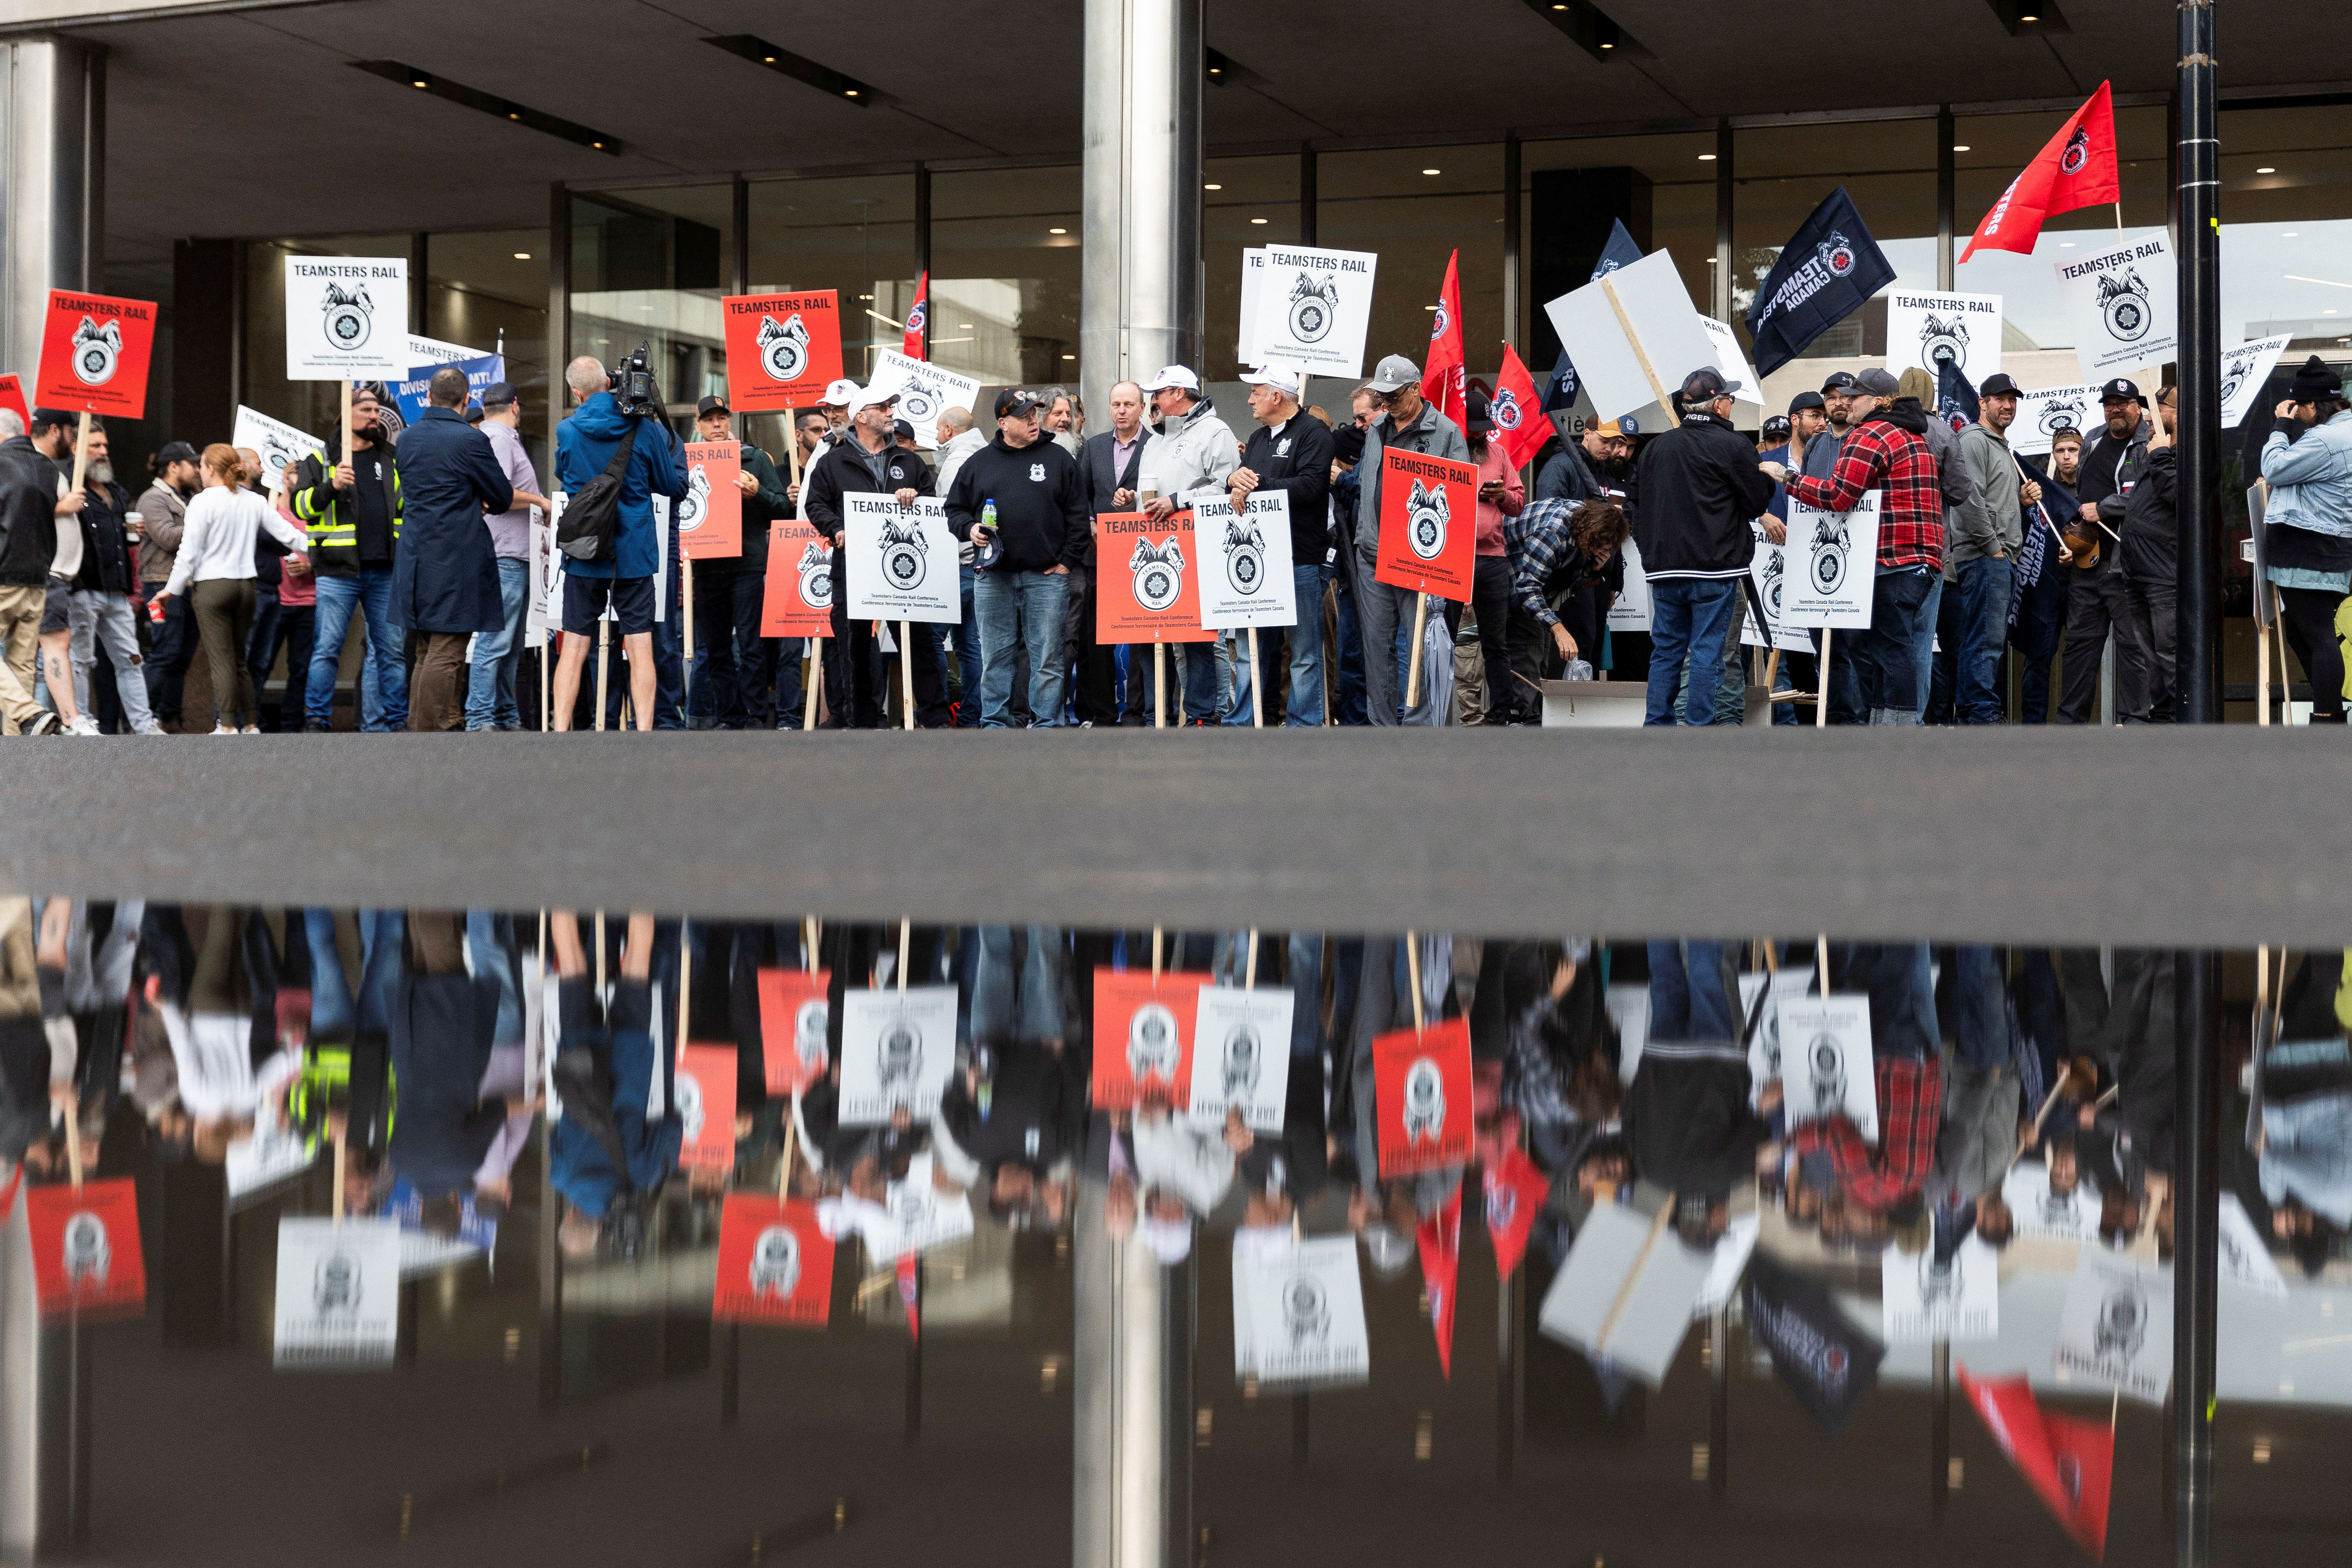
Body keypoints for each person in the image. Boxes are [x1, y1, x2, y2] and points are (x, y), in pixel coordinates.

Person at [1779, 366, 1945, 725]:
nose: (1845, 402)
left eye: (1854, 396)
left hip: (1892, 560)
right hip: (1920, 561)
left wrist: (1787, 478)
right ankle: (1884, 733)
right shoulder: (1913, 435)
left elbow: (1839, 495)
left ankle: (1893, 740)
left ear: (1879, 401)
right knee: (1891, 650)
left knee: (1890, 652)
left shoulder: (1871, 434)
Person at [1633, 369, 1775, 727]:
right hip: (1714, 569)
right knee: (1707, 650)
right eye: (1730, 398)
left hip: (1664, 569)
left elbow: (1632, 505)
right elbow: (1756, 503)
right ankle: (1698, 730)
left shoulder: (1655, 447)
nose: (1732, 404)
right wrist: (1765, 477)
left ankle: (1657, 727)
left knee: (1666, 650)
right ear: (1718, 405)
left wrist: (1649, 551)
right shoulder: (1732, 445)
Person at [551, 354, 684, 733]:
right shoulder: (643, 428)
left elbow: (565, 474)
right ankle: (643, 730)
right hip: (634, 550)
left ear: (577, 393)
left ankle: (560, 730)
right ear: (609, 384)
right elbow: (670, 485)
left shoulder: (567, 430)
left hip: (586, 547)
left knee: (575, 644)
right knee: (640, 643)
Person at [805, 386, 951, 728]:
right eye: (882, 407)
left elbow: (930, 504)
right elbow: (816, 504)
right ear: (860, 417)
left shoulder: (910, 460)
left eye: (891, 407)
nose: (890, 412)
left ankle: (936, 719)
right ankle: (862, 722)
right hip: (852, 568)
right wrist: (836, 528)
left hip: (904, 571)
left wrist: (915, 498)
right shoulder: (832, 462)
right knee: (853, 648)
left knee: (919, 645)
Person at [943, 388, 1089, 727]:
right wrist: (969, 529)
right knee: (995, 656)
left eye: (1034, 414)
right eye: (1023, 416)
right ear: (1003, 423)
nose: (1032, 421)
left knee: (1048, 657)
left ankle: (1046, 724)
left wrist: (1066, 561)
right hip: (993, 576)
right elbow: (954, 510)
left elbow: (1078, 516)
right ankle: (995, 723)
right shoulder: (978, 463)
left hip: (1047, 577)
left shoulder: (1059, 459)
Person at [391, 366, 519, 732]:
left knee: (425, 650)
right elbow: (502, 495)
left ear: (428, 398)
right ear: (467, 402)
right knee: (447, 649)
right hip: (456, 554)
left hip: (415, 555)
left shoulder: (407, 438)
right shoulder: (471, 440)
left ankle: (426, 726)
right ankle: (428, 733)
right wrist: (478, 500)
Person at [152, 444, 310, 733]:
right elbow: (292, 537)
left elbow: (189, 553)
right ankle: (250, 724)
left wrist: (170, 590)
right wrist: (326, 549)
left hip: (213, 587)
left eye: (202, 465)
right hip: (247, 587)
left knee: (220, 660)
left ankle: (226, 726)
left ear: (211, 469)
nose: (199, 470)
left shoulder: (202, 502)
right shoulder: (254, 501)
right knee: (240, 660)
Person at [1350, 354, 1470, 726]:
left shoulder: (1446, 432)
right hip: (1372, 553)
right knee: (1376, 647)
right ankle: (1383, 729)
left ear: (1416, 389)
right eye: (1381, 395)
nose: (1386, 403)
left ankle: (1419, 731)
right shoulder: (1376, 428)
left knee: (1419, 646)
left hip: (1417, 557)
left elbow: (1462, 501)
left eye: (1394, 395)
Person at [292, 387, 406, 732]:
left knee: (392, 651)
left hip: (385, 569)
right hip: (337, 570)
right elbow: (301, 507)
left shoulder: (391, 457)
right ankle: (317, 718)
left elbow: (405, 508)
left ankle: (397, 721)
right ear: (347, 412)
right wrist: (332, 486)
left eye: (377, 410)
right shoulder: (320, 459)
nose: (375, 416)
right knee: (327, 648)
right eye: (367, 409)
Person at [1228, 365, 1336, 726]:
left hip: (1299, 559)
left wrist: (1257, 484)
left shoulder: (1314, 433)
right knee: (1252, 649)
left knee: (1304, 651)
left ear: (1276, 396)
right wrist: (1234, 481)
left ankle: (1303, 726)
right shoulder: (1258, 439)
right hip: (1259, 562)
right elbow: (1244, 486)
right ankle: (1247, 720)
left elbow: (1311, 487)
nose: (1249, 400)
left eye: (1255, 392)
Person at [682, 395, 794, 731]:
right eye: (709, 420)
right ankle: (729, 716)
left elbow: (781, 508)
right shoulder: (686, 462)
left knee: (750, 645)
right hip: (706, 565)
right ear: (699, 426)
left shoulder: (755, 458)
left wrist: (757, 492)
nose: (716, 424)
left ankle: (756, 716)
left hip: (747, 565)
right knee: (716, 649)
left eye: (722, 418)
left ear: (729, 422)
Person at [1136, 365, 1240, 724]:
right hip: (1154, 549)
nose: (1153, 400)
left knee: (1197, 637)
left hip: (1197, 545)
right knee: (1154, 636)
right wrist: (1129, 499)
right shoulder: (1154, 439)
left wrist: (1178, 500)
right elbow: (1149, 494)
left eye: (1159, 393)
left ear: (1179, 393)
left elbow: (1228, 489)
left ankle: (1203, 714)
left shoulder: (1215, 431)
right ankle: (1160, 715)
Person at [2259, 355, 2352, 724]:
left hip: (2310, 549)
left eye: (2300, 408)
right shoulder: (2341, 432)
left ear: (2314, 404)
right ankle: (2328, 709)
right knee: (2301, 629)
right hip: (2326, 546)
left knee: (2316, 634)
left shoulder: (2326, 439)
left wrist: (2280, 426)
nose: (2298, 415)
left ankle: (2325, 719)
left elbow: (2275, 468)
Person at [2054, 379, 2151, 725]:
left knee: (2132, 648)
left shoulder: (2149, 442)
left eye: (2122, 403)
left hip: (2126, 563)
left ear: (2137, 406)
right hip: (2086, 562)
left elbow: (2146, 494)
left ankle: (2136, 722)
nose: (2114, 409)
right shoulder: (2093, 438)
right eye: (2108, 404)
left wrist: (2105, 508)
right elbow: (2078, 495)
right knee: (2079, 646)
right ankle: (2069, 726)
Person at [1943, 372, 2033, 726]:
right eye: (2000, 398)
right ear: (1981, 403)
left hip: (1992, 556)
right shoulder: (1973, 440)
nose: (2007, 405)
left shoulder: (1998, 444)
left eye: (2012, 399)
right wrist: (1994, 548)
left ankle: (1970, 712)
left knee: (1978, 638)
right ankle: (1981, 713)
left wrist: (2020, 502)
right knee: (1987, 642)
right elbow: (1968, 499)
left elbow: (1992, 501)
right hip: (1984, 557)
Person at [464, 382, 554, 732]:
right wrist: (540, 501)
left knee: (512, 643)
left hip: (513, 552)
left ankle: (502, 714)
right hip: (507, 553)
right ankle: (481, 716)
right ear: (515, 406)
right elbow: (495, 493)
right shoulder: (499, 438)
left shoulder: (494, 436)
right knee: (497, 641)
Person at [65, 423, 161, 734]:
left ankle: (144, 726)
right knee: (80, 660)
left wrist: (132, 533)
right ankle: (81, 722)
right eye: (95, 446)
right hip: (82, 588)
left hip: (116, 590)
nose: (103, 452)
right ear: (77, 449)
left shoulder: (116, 491)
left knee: (131, 659)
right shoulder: (67, 487)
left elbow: (124, 540)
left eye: (105, 445)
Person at [1503, 497, 1629, 711]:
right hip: (1508, 580)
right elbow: (1527, 588)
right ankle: (1523, 719)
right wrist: (1558, 628)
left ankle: (1532, 715)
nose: (1600, 552)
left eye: (1605, 549)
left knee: (1541, 654)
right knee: (1528, 651)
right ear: (1588, 532)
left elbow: (1569, 577)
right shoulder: (1552, 533)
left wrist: (1593, 569)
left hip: (1539, 587)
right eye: (1597, 546)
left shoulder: (1587, 530)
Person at [1077, 380, 1147, 726]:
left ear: (1142, 409)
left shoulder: (1157, 445)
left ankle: (1136, 713)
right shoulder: (1093, 447)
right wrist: (1090, 521)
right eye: (1116, 404)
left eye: (1129, 404)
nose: (1121, 410)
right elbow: (1081, 494)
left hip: (1143, 555)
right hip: (1099, 554)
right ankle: (1103, 713)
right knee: (1098, 637)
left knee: (1140, 637)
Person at [1462, 391, 1527, 723]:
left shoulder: (1498, 451)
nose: (1479, 433)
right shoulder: (1448, 450)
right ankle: (1443, 712)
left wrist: (1502, 495)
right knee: (1443, 636)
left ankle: (1503, 712)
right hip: (1452, 557)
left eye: (1483, 427)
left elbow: (1518, 502)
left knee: (1496, 642)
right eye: (1473, 427)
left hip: (1492, 558)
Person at [0, 410, 65, 734]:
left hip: (3, 574)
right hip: (38, 578)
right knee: (22, 664)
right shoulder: (47, 468)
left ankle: (28, 713)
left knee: (20, 666)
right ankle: (18, 752)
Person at [2118, 384, 2180, 723]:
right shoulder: (2153, 449)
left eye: (2159, 409)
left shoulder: (2182, 451)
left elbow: (2179, 496)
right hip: (2138, 571)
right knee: (2150, 658)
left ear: (2177, 414)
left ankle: (2185, 725)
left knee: (2170, 654)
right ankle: (2164, 719)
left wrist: (2160, 455)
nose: (2149, 416)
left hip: (2163, 574)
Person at [26, 411, 90, 734]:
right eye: (70, 430)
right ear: (54, 430)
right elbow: (18, 508)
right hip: (45, 570)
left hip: (55, 573)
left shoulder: (44, 466)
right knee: (56, 643)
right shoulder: (34, 465)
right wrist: (62, 506)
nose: (73, 438)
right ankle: (71, 719)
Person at [248, 458, 316, 732]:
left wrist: (310, 564)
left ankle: (292, 724)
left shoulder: (316, 513)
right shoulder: (269, 509)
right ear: (285, 478)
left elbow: (333, 550)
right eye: (298, 474)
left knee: (301, 669)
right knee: (260, 664)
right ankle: (254, 721)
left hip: (309, 601)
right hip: (275, 597)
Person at [135, 442, 200, 728]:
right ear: (174, 467)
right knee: (165, 652)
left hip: (190, 586)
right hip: (160, 586)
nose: (198, 470)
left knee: (182, 657)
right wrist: (206, 521)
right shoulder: (153, 499)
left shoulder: (192, 497)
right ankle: (142, 718)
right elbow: (168, 537)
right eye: (192, 464)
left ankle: (169, 716)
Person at [1533, 416, 1628, 504]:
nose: (1609, 448)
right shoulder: (1559, 465)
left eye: (1614, 443)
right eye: (1604, 441)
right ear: (1587, 434)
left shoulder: (1605, 470)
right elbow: (1547, 511)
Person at [1043, 387, 1082, 457]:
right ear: (1042, 417)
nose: (1065, 419)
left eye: (1068, 414)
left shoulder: (1083, 451)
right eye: (1058, 413)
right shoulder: (1031, 451)